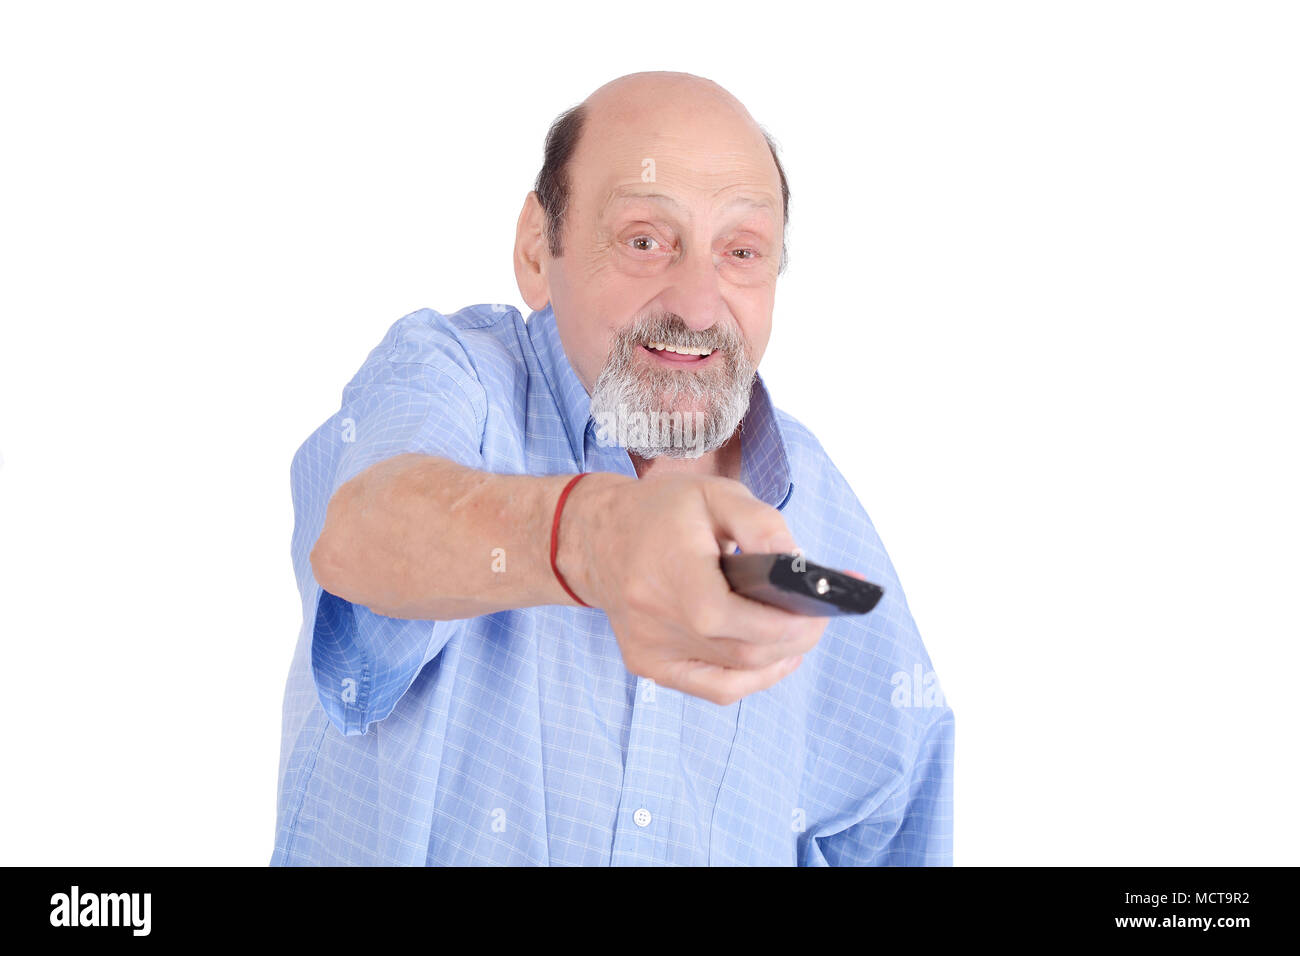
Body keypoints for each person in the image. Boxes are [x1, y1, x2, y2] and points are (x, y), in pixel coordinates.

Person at [271, 71, 954, 866]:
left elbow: (897, 813)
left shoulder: (821, 507)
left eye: (741, 252)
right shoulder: (452, 377)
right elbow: (360, 536)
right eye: (644, 240)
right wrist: (598, 537)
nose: (698, 306)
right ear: (537, 250)